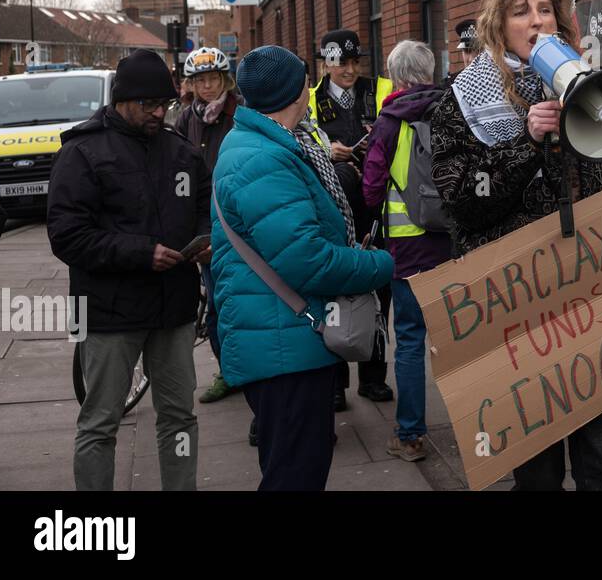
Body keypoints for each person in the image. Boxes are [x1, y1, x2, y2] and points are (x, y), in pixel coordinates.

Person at [429, 0, 602, 490]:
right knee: (536, 469)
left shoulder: (592, 88)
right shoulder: (465, 99)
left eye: (546, 10)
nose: (537, 21)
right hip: (522, 307)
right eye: (522, 12)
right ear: (499, 27)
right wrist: (527, 142)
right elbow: (463, 201)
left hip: (593, 299)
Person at [210, 46, 393, 490]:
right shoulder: (264, 158)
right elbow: (307, 260)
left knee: (293, 465)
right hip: (282, 347)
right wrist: (381, 263)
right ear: (298, 94)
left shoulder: (265, 142)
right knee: (295, 474)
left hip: (281, 336)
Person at [47, 49, 210, 491]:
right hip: (108, 313)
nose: (160, 113)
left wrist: (205, 239)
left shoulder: (181, 152)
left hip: (173, 309)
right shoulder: (82, 152)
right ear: (122, 100)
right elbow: (66, 235)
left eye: (166, 104)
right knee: (100, 423)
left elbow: (202, 208)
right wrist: (143, 253)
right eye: (149, 105)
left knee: (179, 417)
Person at [361, 40, 451, 463]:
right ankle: (481, 429)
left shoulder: (388, 122)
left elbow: (371, 190)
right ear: (431, 71)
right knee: (461, 339)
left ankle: (411, 435)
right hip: (453, 246)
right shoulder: (456, 111)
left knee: (411, 342)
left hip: (408, 251)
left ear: (396, 77)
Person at [307, 28, 395, 408]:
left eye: (355, 61)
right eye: (340, 62)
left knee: (378, 292)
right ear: (326, 63)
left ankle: (373, 378)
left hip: (377, 210)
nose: (349, 69)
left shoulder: (381, 89)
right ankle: (336, 383)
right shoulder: (309, 99)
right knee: (335, 298)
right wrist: (328, 150)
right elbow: (298, 142)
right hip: (333, 213)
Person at [175, 46, 241, 403]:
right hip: (203, 219)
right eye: (199, 80)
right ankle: (229, 371)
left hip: (235, 217)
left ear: (224, 79)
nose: (207, 87)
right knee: (216, 302)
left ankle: (248, 367)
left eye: (212, 78)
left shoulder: (239, 112)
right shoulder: (187, 118)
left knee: (237, 301)